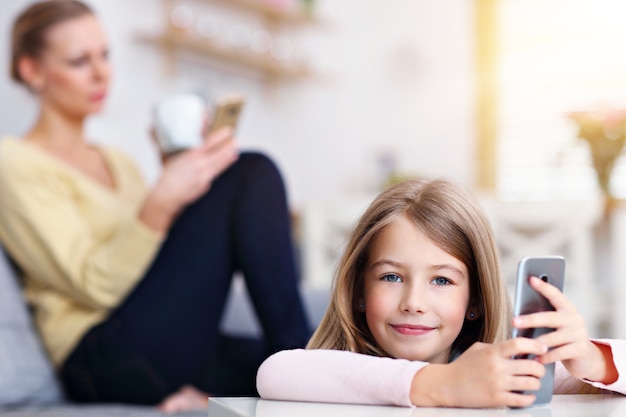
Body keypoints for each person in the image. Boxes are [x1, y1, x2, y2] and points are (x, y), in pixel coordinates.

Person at [0, 0, 311, 412]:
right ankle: (311, 371)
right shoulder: (13, 163)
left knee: (291, 365)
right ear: (31, 71)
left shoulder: (120, 162)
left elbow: (156, 265)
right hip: (100, 356)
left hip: (161, 341)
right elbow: (97, 285)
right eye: (79, 61)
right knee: (251, 172)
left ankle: (229, 391)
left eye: (105, 55)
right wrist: (162, 200)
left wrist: (182, 190)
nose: (101, 73)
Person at [257, 178, 626, 408]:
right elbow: (275, 372)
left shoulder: (502, 374)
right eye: (390, 277)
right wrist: (445, 385)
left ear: (475, 301)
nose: (414, 303)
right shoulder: (327, 375)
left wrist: (594, 360)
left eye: (441, 281)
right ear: (358, 291)